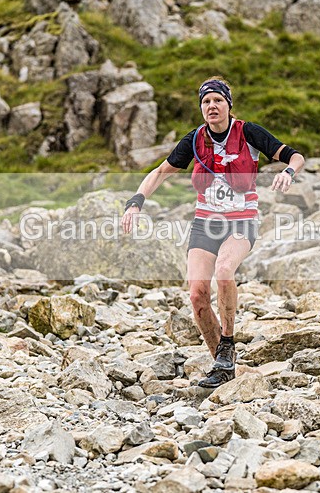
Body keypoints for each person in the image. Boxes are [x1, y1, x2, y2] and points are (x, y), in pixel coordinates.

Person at [121, 77, 305, 388]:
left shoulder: (248, 133)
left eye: (217, 100)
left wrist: (288, 172)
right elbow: (160, 172)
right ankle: (221, 366)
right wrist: (135, 202)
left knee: (223, 271)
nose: (211, 106)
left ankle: (228, 343)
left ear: (228, 105)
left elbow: (296, 157)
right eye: (206, 102)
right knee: (197, 296)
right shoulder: (194, 140)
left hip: (241, 221)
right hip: (205, 223)